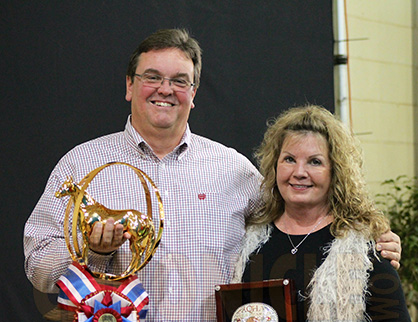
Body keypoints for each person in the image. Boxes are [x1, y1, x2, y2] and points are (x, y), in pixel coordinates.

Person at [24, 29, 402, 321]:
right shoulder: (81, 166)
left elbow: (297, 219)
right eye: (152, 77)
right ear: (129, 85)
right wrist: (90, 254)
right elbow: (37, 263)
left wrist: (371, 243)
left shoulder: (235, 171)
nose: (165, 90)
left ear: (194, 91)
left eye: (180, 81)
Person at [232, 105, 410, 321]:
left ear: (335, 172)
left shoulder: (366, 250)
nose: (299, 173)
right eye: (289, 159)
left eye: (314, 162)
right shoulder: (246, 242)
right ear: (274, 165)